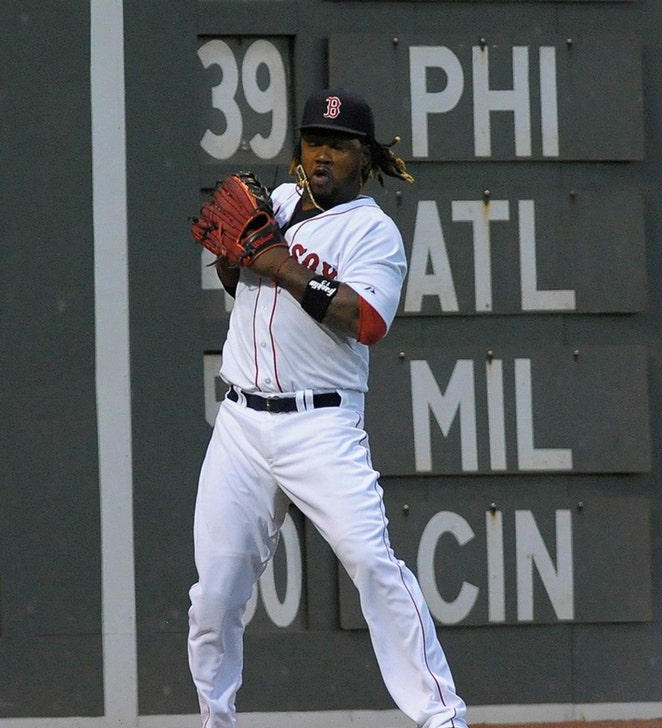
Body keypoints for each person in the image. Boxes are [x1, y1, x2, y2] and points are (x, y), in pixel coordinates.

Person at [187, 88, 469, 728]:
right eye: (314, 141)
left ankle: (442, 716)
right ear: (298, 152)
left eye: (339, 145)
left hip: (320, 427)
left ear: (364, 158)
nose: (323, 154)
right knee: (214, 597)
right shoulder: (277, 206)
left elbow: (364, 320)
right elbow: (241, 279)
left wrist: (278, 263)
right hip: (239, 425)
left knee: (373, 564)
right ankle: (214, 721)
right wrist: (235, 257)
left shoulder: (375, 232)